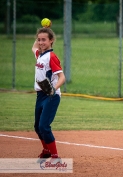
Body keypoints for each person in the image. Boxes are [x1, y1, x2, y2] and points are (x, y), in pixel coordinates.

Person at [32, 25, 65, 164]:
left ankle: (55, 157)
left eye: (44, 40)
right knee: (37, 126)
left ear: (51, 40)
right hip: (40, 96)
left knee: (44, 126)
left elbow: (62, 77)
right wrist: (43, 29)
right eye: (39, 40)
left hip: (51, 96)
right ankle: (46, 151)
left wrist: (53, 89)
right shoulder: (40, 54)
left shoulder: (51, 56)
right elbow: (34, 48)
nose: (40, 42)